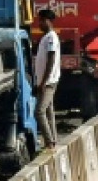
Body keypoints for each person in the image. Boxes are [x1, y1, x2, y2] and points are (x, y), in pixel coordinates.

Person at [33, 9, 61, 150]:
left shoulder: (51, 37)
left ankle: (49, 142)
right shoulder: (47, 37)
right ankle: (53, 140)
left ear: (47, 21)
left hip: (48, 82)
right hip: (47, 80)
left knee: (39, 111)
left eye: (41, 21)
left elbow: (51, 59)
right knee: (49, 111)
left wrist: (43, 82)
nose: (39, 24)